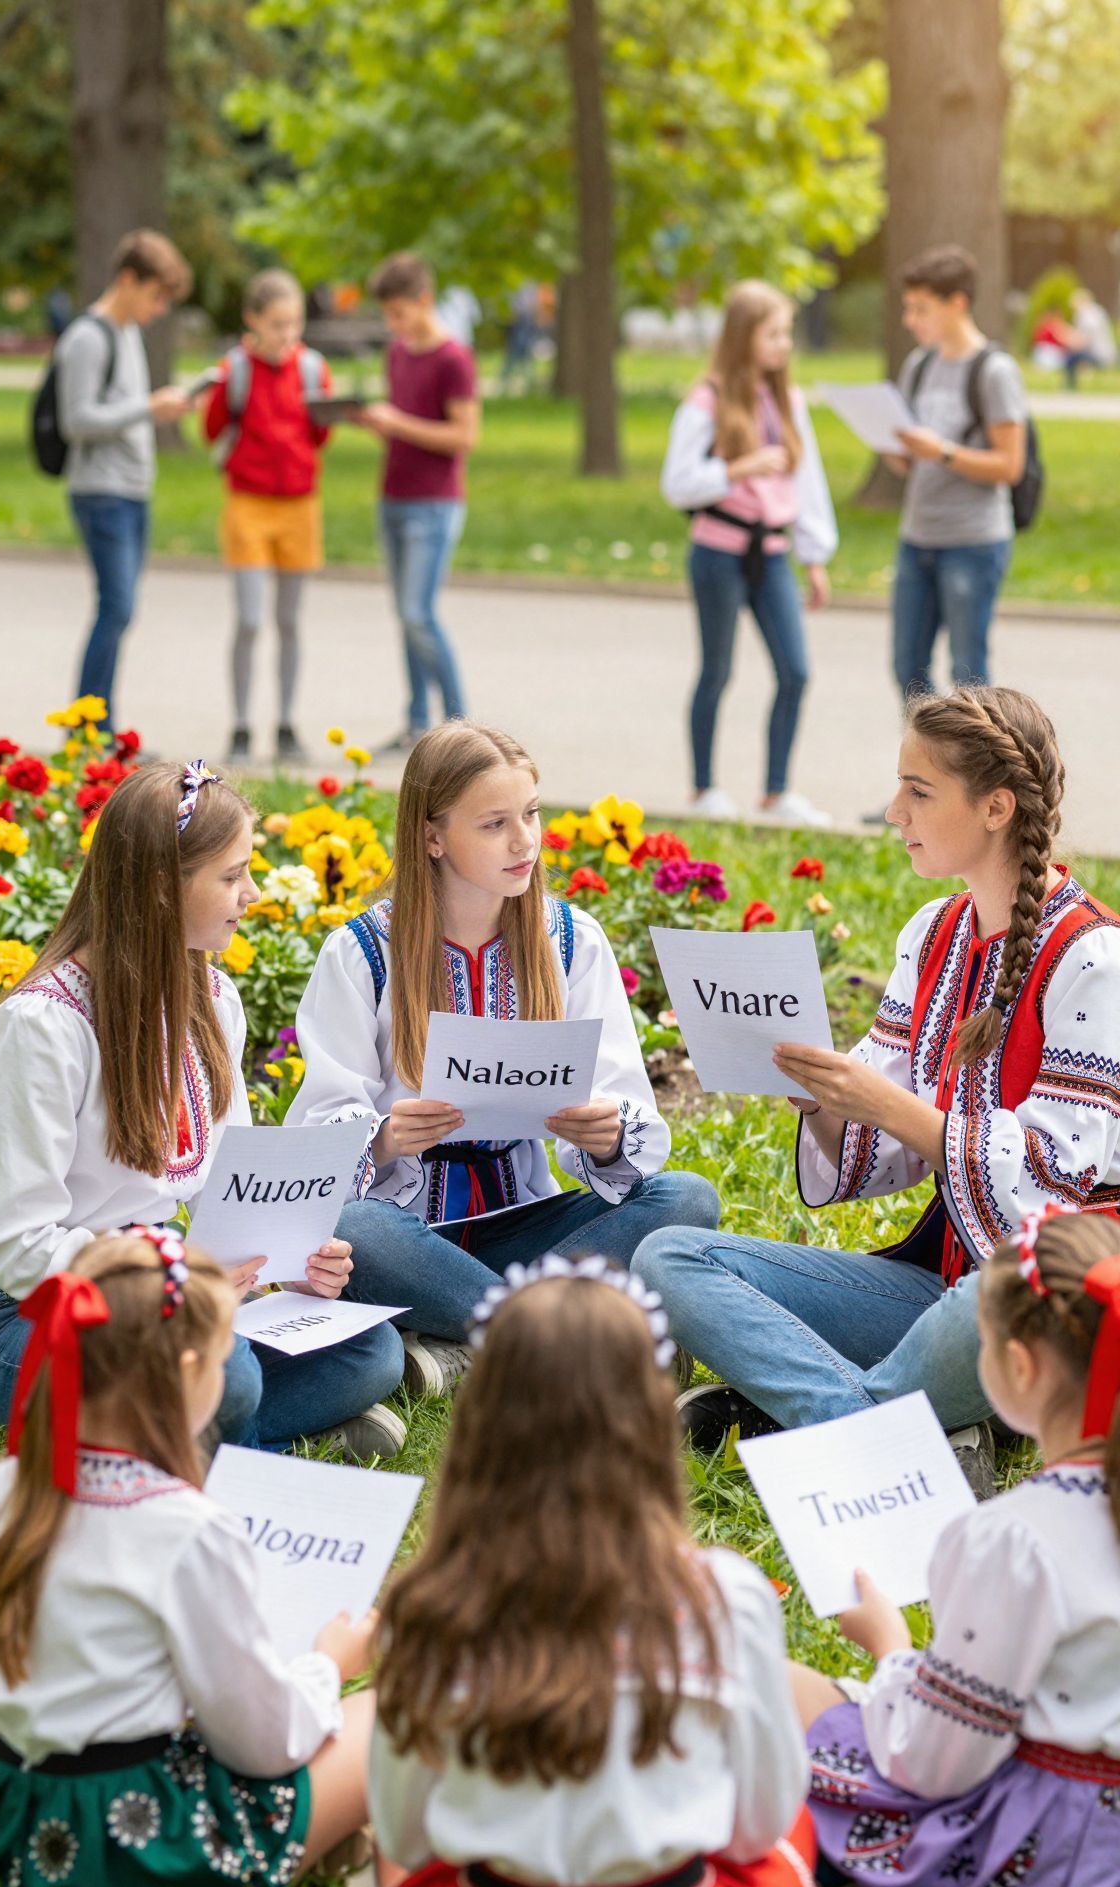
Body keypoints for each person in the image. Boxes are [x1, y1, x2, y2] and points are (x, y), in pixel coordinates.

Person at [635, 687, 1120, 1500]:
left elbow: (1052, 1190)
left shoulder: (1092, 959)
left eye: (918, 791)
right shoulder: (932, 933)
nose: (894, 811)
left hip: (1053, 1298)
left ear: (996, 806)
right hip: (940, 1283)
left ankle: (808, 1411)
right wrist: (819, 1095)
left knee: (983, 1312)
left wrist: (888, 1104)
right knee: (672, 1256)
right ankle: (911, 1425)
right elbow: (880, 1152)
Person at [368, 1258, 815, 1887]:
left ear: (482, 1421)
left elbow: (407, 1837)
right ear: (647, 1424)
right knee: (798, 1838)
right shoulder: (725, 1597)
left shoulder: (429, 1607)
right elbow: (759, 1824)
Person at [0, 761, 406, 1463]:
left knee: (371, 1352)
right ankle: (246, 1449)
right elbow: (20, 1249)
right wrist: (171, 1273)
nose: (253, 893)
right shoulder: (44, 1028)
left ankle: (198, 1438)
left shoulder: (213, 1002)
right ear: (162, 891)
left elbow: (226, 1189)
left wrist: (287, 1262)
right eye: (231, 876)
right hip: (33, 1318)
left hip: (175, 1295)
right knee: (223, 1373)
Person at [288, 720, 719, 1392]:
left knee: (686, 1201)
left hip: (528, 1227)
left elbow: (621, 1097)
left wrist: (605, 1137)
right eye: (494, 824)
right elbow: (315, 1133)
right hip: (404, 1232)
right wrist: (388, 1138)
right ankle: (560, 1339)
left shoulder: (572, 939)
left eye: (531, 814)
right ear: (432, 836)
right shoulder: (362, 954)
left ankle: (468, 1339)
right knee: (354, 1227)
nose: (525, 841)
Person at [0, 1231, 377, 1887]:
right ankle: (315, 1840)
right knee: (387, 1719)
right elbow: (260, 1741)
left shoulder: (15, 1484)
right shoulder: (186, 1528)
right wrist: (326, 1669)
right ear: (190, 1371)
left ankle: (333, 1834)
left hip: (9, 1812)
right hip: (128, 1844)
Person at [793, 1209, 1120, 1887]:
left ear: (1021, 1368)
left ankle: (788, 1863)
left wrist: (891, 1652)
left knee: (778, 1691)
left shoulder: (1012, 1539)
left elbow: (937, 1762)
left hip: (1038, 1854)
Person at [660, 279, 838, 828]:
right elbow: (677, 483)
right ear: (743, 337)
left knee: (796, 670)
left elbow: (808, 483)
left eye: (787, 334)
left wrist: (813, 556)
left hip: (774, 553)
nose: (785, 344)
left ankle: (777, 791)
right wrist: (738, 468)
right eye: (774, 334)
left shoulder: (787, 401)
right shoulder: (707, 400)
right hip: (719, 553)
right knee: (716, 669)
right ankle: (704, 787)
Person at [55, 228, 194, 729]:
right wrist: (147, 408)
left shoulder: (127, 334)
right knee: (115, 607)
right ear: (128, 279)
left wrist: (158, 406)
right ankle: (90, 726)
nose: (158, 309)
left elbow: (122, 408)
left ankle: (99, 725)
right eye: (155, 296)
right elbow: (77, 420)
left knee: (121, 611)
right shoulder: (87, 338)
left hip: (132, 491)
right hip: (100, 491)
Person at [203, 268, 334, 767]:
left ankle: (286, 724)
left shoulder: (312, 369)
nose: (287, 335)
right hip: (248, 504)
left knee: (290, 621)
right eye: (277, 324)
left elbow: (320, 434)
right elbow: (212, 427)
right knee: (251, 619)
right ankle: (240, 726)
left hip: (300, 505)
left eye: (294, 324)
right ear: (252, 320)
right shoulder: (234, 370)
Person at [886, 244, 1027, 703]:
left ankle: (974, 771)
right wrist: (896, 448)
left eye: (920, 308)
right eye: (908, 308)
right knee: (907, 667)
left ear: (957, 304)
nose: (911, 319)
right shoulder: (920, 364)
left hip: (972, 542)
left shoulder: (994, 371)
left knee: (970, 674)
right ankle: (928, 767)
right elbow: (908, 458)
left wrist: (943, 452)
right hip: (918, 537)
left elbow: (1010, 465)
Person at [352, 252, 480, 753]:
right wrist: (376, 424)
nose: (393, 324)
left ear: (424, 300)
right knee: (404, 615)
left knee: (418, 612)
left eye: (399, 313)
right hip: (394, 495)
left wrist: (398, 422)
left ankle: (461, 728)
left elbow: (464, 436)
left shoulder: (454, 358)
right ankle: (417, 724)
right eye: (387, 315)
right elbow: (404, 428)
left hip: (436, 503)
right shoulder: (398, 353)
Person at [1062, 288, 1118, 389]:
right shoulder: (1098, 311)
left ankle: (1069, 386)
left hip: (1099, 355)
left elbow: (1084, 341)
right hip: (1109, 353)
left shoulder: (1085, 316)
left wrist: (1066, 340)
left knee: (1070, 358)